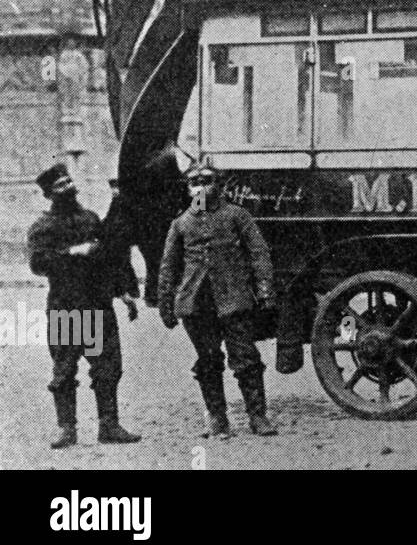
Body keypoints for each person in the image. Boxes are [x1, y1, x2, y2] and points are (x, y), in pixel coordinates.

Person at [159, 160, 278, 438]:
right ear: (187, 188)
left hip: (233, 299)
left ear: (220, 185)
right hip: (197, 304)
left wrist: (264, 290)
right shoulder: (180, 224)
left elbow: (258, 254)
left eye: (207, 181)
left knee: (246, 359)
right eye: (194, 182)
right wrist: (166, 303)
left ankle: (258, 416)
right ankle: (217, 418)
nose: (200, 187)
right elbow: (168, 266)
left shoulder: (237, 216)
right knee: (208, 360)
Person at [28, 164, 141, 449]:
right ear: (49, 195)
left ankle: (109, 425)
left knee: (107, 367)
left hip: (98, 305)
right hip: (65, 308)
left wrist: (123, 292)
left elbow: (110, 259)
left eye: (68, 182)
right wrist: (73, 252)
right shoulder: (43, 227)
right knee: (64, 369)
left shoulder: (91, 219)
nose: (68, 188)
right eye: (60, 186)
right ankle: (67, 429)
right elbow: (38, 264)